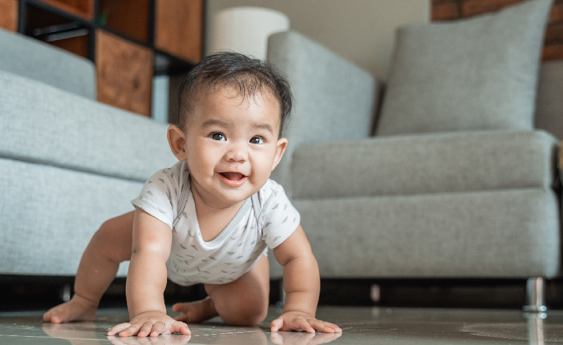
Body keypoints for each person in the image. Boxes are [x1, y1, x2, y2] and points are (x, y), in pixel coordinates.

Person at [42, 52, 342, 338]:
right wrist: (148, 311)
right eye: (218, 135)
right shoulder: (166, 187)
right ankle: (83, 300)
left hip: (234, 265)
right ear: (180, 144)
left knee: (248, 313)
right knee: (109, 237)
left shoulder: (270, 201)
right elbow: (149, 252)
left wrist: (299, 310)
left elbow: (298, 257)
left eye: (256, 139)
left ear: (276, 154)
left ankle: (209, 305)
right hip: (169, 251)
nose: (238, 153)